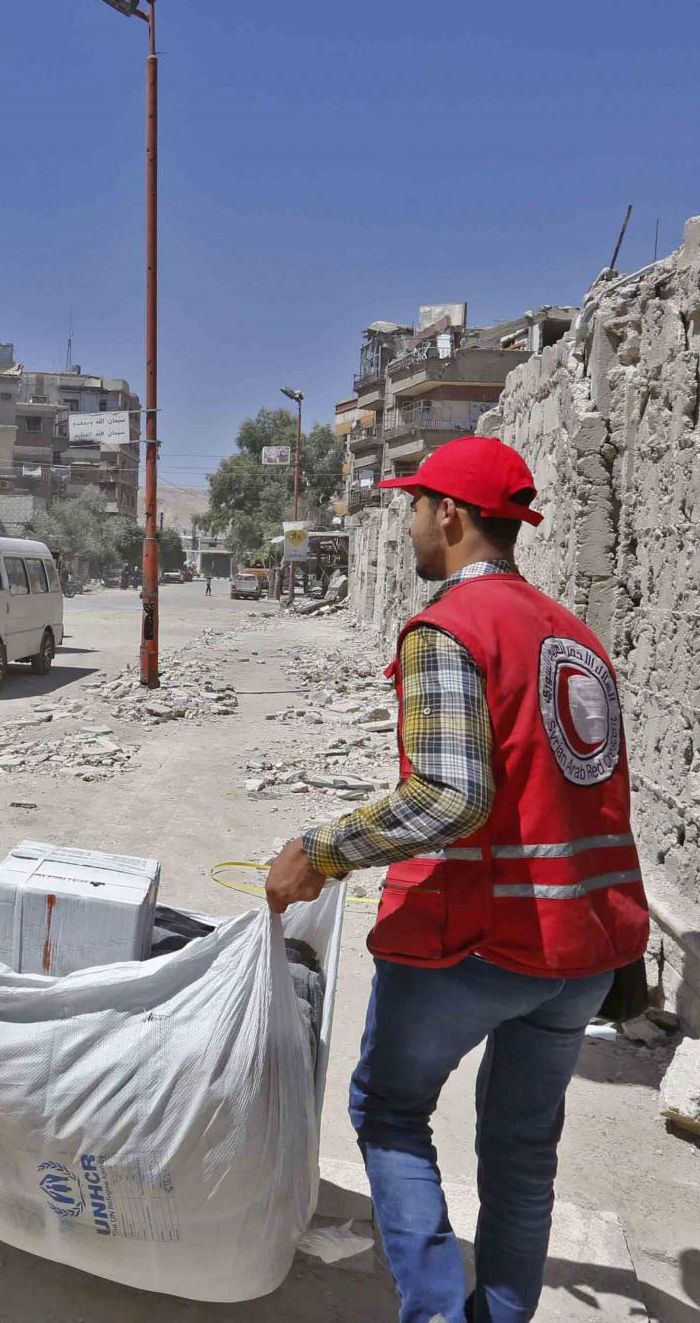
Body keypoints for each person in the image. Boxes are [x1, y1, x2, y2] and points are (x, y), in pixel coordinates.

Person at [265, 437, 648, 1323]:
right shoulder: (575, 636)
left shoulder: (451, 627)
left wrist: (320, 850)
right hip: (581, 949)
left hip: (478, 942)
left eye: (414, 507)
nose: (407, 525)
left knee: (390, 1115)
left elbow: (449, 796)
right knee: (522, 1149)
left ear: (449, 514)